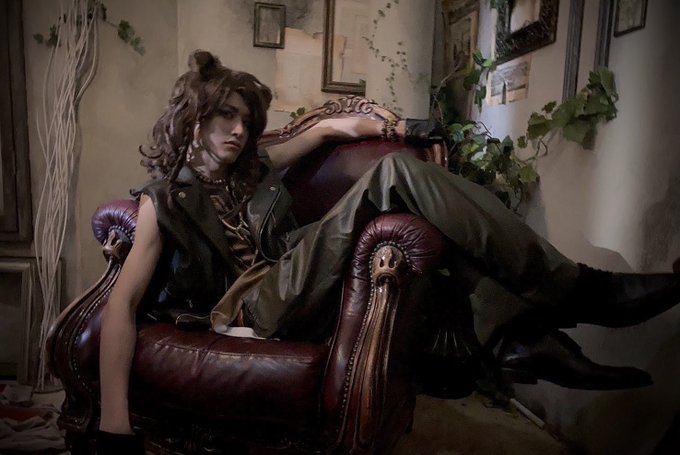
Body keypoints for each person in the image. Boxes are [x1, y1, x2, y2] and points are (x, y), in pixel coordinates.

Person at [97, 50, 680, 453]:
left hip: (296, 277)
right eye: (225, 116)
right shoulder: (161, 202)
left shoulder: (250, 166)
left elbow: (324, 131)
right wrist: (113, 420)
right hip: (252, 308)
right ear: (193, 118)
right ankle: (578, 294)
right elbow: (120, 307)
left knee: (424, 218)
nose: (239, 131)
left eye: (246, 120)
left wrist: (389, 124)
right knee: (394, 177)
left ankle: (521, 339)